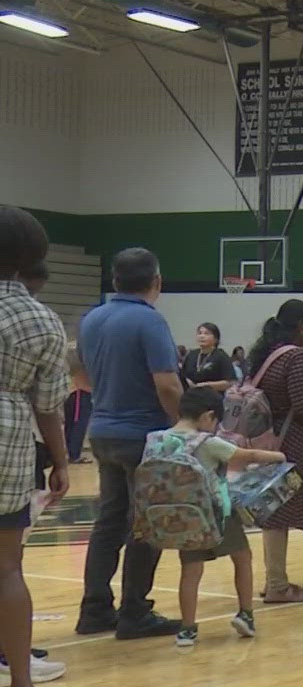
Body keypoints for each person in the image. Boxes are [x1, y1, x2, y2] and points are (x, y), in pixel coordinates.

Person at [76, 247, 183, 638]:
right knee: (147, 525)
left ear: (115, 280)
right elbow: (167, 384)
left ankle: (94, 610)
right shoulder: (149, 321)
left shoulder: (92, 318)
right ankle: (135, 611)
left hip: (102, 430)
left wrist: (109, 393)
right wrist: (184, 428)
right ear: (156, 281)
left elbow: (79, 375)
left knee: (108, 522)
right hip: (143, 435)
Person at [0, 207, 71, 687]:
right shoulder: (40, 317)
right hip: (8, 436)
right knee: (7, 567)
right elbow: (50, 407)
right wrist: (61, 462)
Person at [164, 388, 280, 646]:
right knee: (242, 557)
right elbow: (246, 457)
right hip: (216, 512)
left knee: (191, 571)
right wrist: (278, 456)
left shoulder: (161, 439)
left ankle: (187, 629)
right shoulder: (207, 442)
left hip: (183, 516)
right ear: (208, 416)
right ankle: (245, 613)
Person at [246, 300, 303, 604]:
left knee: (274, 513)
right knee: (279, 514)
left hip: (268, 439)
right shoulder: (295, 358)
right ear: (300, 325)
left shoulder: (267, 354)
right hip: (294, 443)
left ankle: (275, 579)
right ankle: (277, 585)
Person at [179, 323, 234, 396]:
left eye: (206, 334)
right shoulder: (191, 354)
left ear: (216, 339)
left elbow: (229, 382)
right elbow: (183, 375)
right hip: (190, 396)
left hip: (212, 397)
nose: (202, 336)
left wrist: (205, 385)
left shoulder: (221, 356)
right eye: (199, 333)